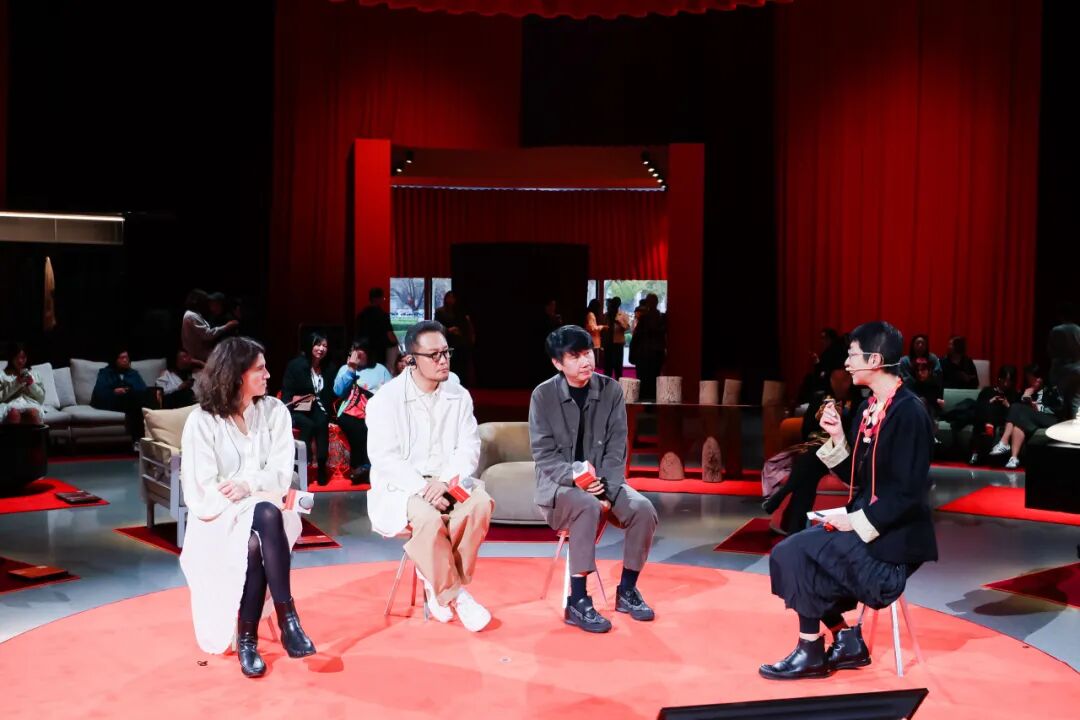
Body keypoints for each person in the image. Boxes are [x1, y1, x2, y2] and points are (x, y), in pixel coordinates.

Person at [760, 321, 937, 680]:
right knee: (792, 550)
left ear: (875, 360)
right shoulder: (868, 408)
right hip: (868, 525)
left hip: (894, 544)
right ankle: (843, 639)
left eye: (853, 355)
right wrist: (840, 436)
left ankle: (813, 650)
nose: (846, 362)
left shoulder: (910, 413)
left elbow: (907, 494)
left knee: (795, 552)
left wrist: (853, 521)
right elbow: (855, 477)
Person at [179, 337, 316, 678]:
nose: (268, 375)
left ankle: (248, 641)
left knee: (257, 536)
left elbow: (281, 473)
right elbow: (203, 487)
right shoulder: (201, 421)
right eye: (260, 369)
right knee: (261, 522)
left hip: (267, 508)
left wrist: (247, 485)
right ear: (236, 374)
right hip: (216, 515)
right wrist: (247, 489)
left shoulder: (274, 412)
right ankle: (287, 619)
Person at [529, 325, 659, 633]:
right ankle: (577, 600)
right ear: (558, 363)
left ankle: (627, 590)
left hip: (604, 483)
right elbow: (544, 455)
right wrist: (579, 482)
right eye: (575, 356)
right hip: (560, 487)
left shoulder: (611, 391)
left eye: (587, 353)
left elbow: (616, 449)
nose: (586, 361)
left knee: (643, 509)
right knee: (585, 506)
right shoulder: (543, 395)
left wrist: (607, 491)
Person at [365, 320, 494, 632]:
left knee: (479, 504)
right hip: (404, 486)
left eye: (446, 353)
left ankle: (437, 580)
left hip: (448, 480)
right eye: (434, 355)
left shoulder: (458, 394)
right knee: (427, 518)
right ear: (412, 359)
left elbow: (469, 446)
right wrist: (423, 488)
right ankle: (455, 595)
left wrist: (445, 482)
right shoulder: (386, 400)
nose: (443, 360)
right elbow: (384, 458)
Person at [762, 367, 863, 535]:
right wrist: (821, 420)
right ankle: (795, 529)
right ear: (830, 381)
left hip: (842, 454)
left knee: (810, 460)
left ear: (850, 381)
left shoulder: (859, 402)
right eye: (835, 380)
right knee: (808, 476)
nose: (839, 384)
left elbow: (855, 436)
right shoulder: (820, 399)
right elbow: (806, 430)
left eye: (844, 380)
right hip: (815, 452)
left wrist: (841, 421)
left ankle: (782, 496)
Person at [989, 325, 1080, 468]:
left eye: (1034, 379)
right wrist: (1027, 398)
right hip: (1035, 418)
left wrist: (1038, 407)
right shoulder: (1030, 389)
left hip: (1053, 418)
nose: (1032, 382)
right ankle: (1013, 458)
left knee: (1017, 409)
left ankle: (1004, 442)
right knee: (1019, 421)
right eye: (1029, 379)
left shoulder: (1053, 385)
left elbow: (1060, 407)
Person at [334, 339, 393, 483]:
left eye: (360, 353)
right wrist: (351, 369)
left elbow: (392, 392)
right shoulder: (345, 368)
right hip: (350, 411)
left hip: (375, 411)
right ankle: (359, 466)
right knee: (357, 426)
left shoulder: (380, 369)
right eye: (354, 352)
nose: (357, 356)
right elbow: (338, 391)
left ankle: (369, 467)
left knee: (377, 425)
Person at [281, 333, 337, 485]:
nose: (321, 349)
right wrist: (293, 399)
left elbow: (330, 394)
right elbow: (286, 393)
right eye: (318, 345)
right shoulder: (296, 366)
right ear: (310, 346)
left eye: (324, 346)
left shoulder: (329, 368)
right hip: (297, 409)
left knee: (321, 421)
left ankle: (321, 466)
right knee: (308, 424)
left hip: (317, 409)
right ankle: (299, 467)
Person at [90, 347, 161, 441]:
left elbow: (142, 389)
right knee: (138, 399)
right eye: (122, 358)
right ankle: (139, 440)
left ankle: (154, 437)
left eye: (126, 357)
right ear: (115, 360)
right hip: (112, 400)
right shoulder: (105, 372)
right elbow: (99, 392)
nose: (125, 360)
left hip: (131, 400)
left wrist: (130, 390)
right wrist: (114, 391)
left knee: (149, 394)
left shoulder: (133, 373)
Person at [968, 365, 1018, 464]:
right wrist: (991, 401)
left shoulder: (1013, 394)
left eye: (1009, 381)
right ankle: (988, 427)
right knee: (985, 408)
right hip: (984, 417)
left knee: (988, 414)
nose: (1005, 384)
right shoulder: (987, 391)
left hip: (1001, 418)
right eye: (1003, 380)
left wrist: (1007, 404)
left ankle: (976, 451)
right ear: (999, 378)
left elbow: (1015, 413)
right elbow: (979, 406)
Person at [181, 289, 239, 363]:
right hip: (204, 355)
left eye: (215, 303)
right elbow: (207, 334)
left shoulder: (228, 318)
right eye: (211, 303)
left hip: (224, 354)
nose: (210, 305)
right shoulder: (202, 317)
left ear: (221, 304)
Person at [628, 294, 667, 401]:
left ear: (648, 303)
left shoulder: (644, 318)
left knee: (643, 378)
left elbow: (636, 337)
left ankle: (644, 399)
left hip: (644, 353)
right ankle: (654, 398)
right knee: (654, 377)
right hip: (657, 352)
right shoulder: (662, 318)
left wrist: (632, 353)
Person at [434, 291, 475, 386]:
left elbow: (466, 326)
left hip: (460, 343)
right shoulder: (440, 312)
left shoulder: (460, 312)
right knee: (450, 365)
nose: (451, 300)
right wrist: (448, 330)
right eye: (449, 297)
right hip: (447, 342)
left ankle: (463, 385)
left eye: (453, 298)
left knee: (462, 367)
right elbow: (436, 326)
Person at [1, 342, 45, 425]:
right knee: (13, 413)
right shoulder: (3, 375)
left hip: (30, 404)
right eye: (17, 357)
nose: (20, 361)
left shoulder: (35, 374)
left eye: (23, 357)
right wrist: (16, 383)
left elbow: (41, 398)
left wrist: (31, 384)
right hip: (10, 404)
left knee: (33, 414)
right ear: (11, 358)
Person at [355, 287, 398, 369]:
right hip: (379, 353)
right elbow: (390, 336)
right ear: (379, 299)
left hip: (363, 351)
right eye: (383, 298)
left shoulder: (361, 315)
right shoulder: (383, 316)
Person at [601, 297, 631, 380]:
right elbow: (602, 329)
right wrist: (602, 343)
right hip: (608, 343)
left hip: (618, 343)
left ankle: (618, 382)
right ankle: (607, 383)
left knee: (618, 366)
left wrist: (619, 322)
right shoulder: (606, 315)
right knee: (607, 366)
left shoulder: (623, 315)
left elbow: (627, 328)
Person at [584, 299, 608, 369]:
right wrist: (603, 327)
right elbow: (593, 328)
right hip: (592, 337)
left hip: (591, 337)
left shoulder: (589, 313)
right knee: (590, 355)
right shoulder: (591, 314)